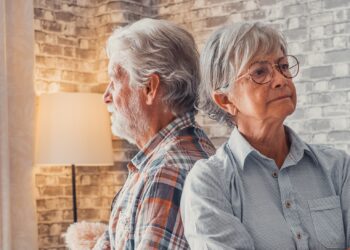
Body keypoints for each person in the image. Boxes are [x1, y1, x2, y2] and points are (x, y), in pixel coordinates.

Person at [181, 22, 350, 250]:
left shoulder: (338, 168)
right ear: (226, 100)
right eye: (260, 72)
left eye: (283, 66)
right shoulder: (209, 184)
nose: (281, 79)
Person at [93, 18, 215, 250]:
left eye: (114, 82)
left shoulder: (168, 172)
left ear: (150, 87)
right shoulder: (154, 164)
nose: (106, 96)